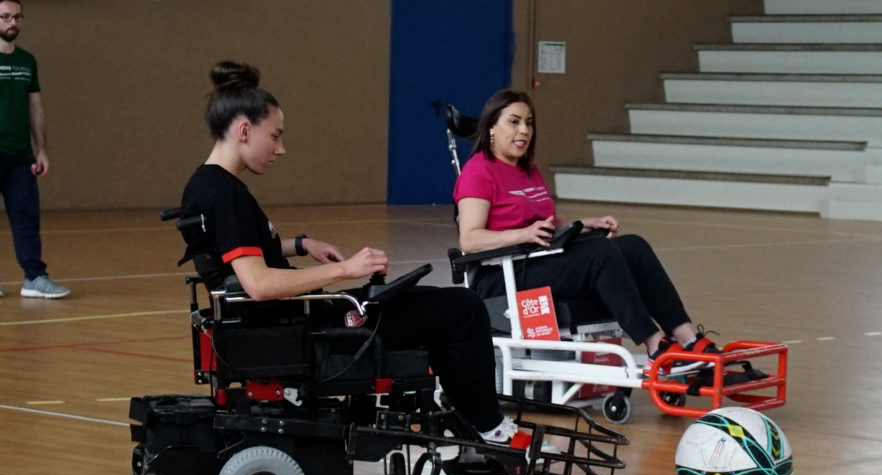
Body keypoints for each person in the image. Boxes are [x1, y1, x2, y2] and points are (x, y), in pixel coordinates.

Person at [179, 61, 516, 445]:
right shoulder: (228, 196)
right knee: (464, 309)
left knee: (430, 303)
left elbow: (235, 255)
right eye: (274, 136)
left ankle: (467, 413)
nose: (281, 148)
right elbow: (259, 283)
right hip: (306, 326)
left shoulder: (204, 185)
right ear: (243, 130)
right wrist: (346, 271)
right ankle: (487, 425)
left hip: (285, 320)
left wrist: (302, 245)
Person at [453, 89, 719, 375]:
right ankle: (655, 346)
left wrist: (582, 225)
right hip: (501, 276)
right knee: (598, 253)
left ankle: (688, 338)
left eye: (529, 123)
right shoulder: (479, 171)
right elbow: (470, 239)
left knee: (633, 247)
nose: (524, 130)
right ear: (492, 126)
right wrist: (523, 234)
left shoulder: (528, 170)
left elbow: (545, 224)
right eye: (514, 122)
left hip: (538, 261)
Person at [0, 0, 68, 299]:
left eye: (16, 17)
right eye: (4, 17)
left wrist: (41, 149)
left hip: (19, 156)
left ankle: (34, 278)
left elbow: (35, 106)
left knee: (26, 217)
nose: (11, 23)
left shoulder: (27, 60)